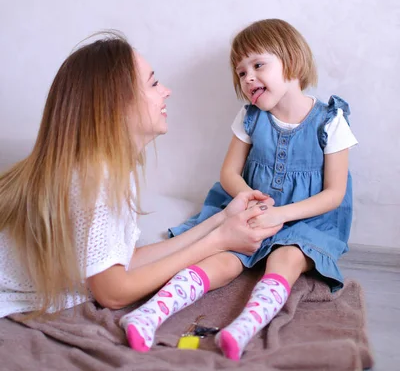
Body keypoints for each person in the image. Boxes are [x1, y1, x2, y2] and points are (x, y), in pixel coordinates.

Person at [120, 19, 357, 360]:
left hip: (307, 221)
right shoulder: (249, 118)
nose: (248, 78)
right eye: (241, 72)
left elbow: (334, 194)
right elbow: (229, 173)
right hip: (251, 212)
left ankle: (244, 327)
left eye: (258, 65)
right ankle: (148, 314)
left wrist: (281, 214)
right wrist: (249, 203)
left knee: (285, 258)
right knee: (224, 259)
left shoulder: (330, 120)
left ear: (292, 60)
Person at [0, 32, 280, 320]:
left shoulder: (112, 170)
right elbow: (113, 292)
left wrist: (219, 221)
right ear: (117, 103)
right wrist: (219, 241)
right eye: (154, 83)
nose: (166, 91)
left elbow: (122, 263)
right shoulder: (93, 178)